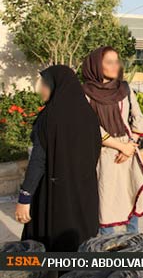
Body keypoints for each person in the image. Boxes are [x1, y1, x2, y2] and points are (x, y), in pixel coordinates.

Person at [15, 65, 101, 252]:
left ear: (56, 86)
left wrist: (24, 198)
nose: (40, 90)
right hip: (85, 194)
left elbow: (38, 161)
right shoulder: (88, 114)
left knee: (51, 246)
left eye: (44, 84)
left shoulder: (49, 117)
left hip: (55, 197)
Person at [82, 46, 143, 235]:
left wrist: (130, 146)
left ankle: (134, 246)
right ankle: (108, 251)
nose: (115, 66)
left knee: (131, 194)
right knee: (106, 202)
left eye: (116, 61)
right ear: (97, 65)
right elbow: (89, 127)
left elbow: (138, 119)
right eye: (109, 62)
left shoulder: (124, 89)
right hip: (103, 154)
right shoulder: (85, 93)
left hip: (128, 152)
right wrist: (120, 146)